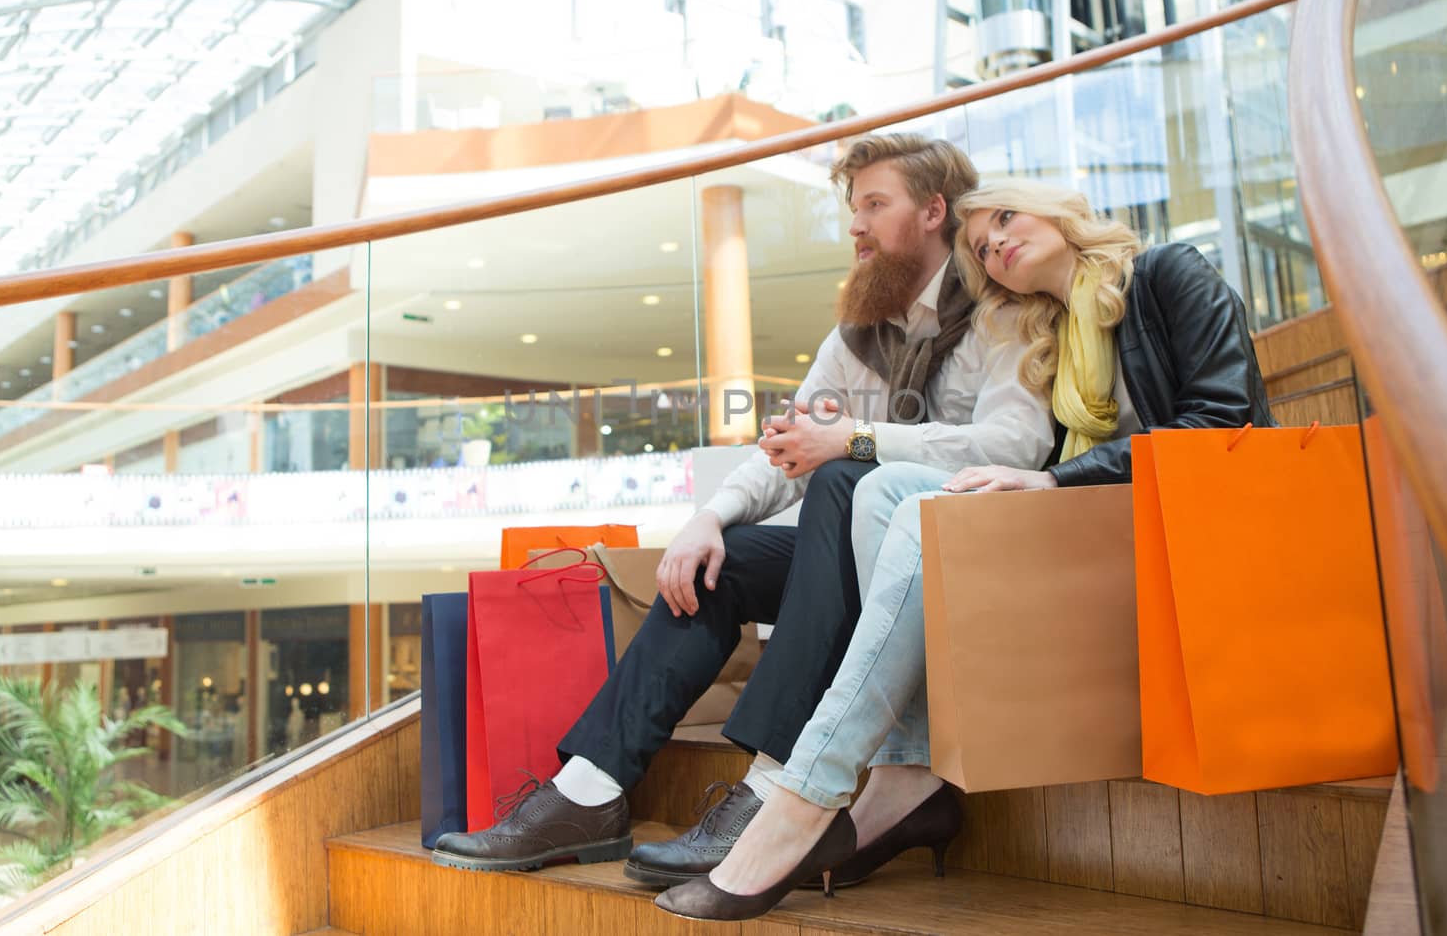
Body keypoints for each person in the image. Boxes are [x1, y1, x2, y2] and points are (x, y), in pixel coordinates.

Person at [432, 137, 1053, 879]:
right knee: (716, 568)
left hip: (952, 558)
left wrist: (855, 440)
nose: (854, 226)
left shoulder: (1000, 310)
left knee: (841, 481)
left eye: (873, 205)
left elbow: (1016, 443)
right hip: (860, 553)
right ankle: (587, 793)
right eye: (851, 209)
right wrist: (711, 518)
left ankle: (768, 793)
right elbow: (788, 446)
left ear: (931, 210)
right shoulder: (860, 332)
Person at [656, 178, 1275, 921]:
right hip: (1098, 528)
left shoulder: (1169, 274)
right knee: (881, 490)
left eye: (1008, 218)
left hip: (1191, 531)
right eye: (983, 247)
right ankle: (905, 769)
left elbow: (1222, 426)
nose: (999, 243)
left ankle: (805, 792)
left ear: (1058, 208)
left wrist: (1055, 479)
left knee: (916, 504)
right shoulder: (1043, 336)